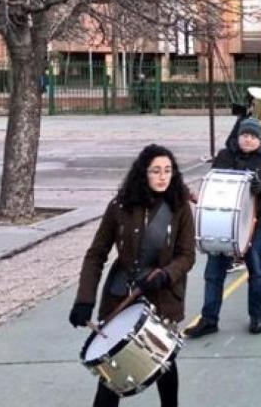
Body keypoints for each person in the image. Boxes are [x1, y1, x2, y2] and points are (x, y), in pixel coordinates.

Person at [70, 144, 195, 407]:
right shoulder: (119, 206)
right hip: (121, 296)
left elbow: (186, 256)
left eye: (168, 170)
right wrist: (84, 300)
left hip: (162, 298)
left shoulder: (180, 207)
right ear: (143, 173)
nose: (163, 176)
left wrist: (166, 275)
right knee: (110, 374)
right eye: (156, 171)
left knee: (165, 364)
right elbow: (96, 254)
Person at [185, 118, 261, 337]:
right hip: (222, 223)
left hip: (254, 224)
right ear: (238, 136)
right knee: (213, 273)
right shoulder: (225, 156)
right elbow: (213, 182)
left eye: (252, 136)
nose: (248, 140)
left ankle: (256, 316)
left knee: (256, 271)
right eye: (244, 135)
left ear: (260, 139)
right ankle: (209, 319)